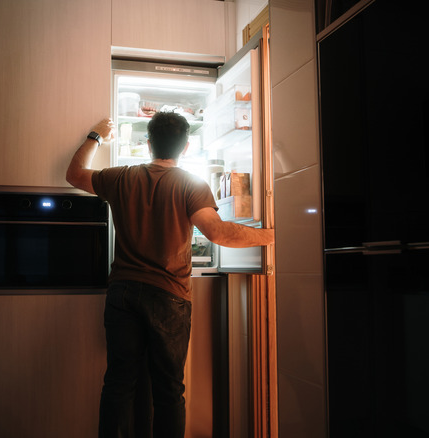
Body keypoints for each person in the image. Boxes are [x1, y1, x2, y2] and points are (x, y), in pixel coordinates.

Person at [66, 113, 274, 437]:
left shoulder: (121, 177)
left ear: (148, 143)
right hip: (169, 298)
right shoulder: (191, 184)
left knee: (119, 384)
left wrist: (95, 136)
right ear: (186, 147)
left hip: (122, 294)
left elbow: (74, 174)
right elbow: (218, 233)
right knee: (168, 391)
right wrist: (269, 236)